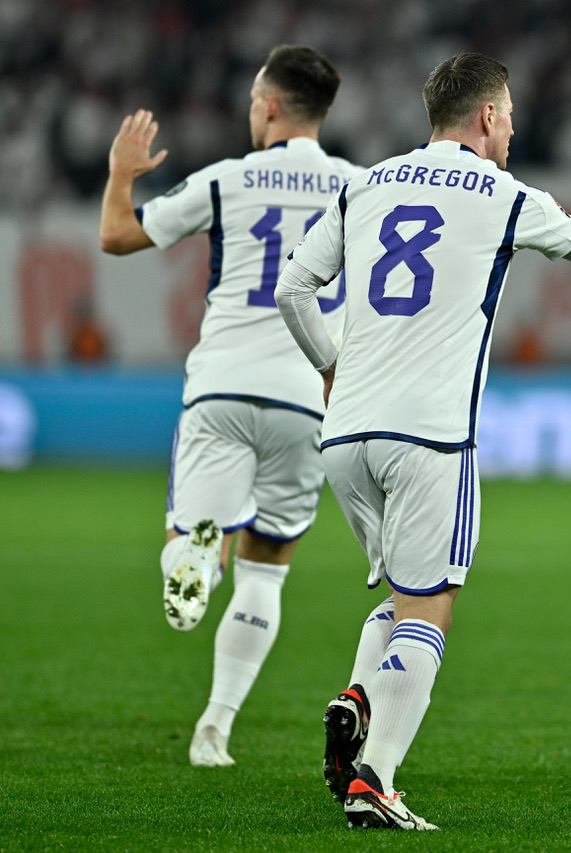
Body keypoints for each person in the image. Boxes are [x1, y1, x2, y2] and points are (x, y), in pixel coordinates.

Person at [275, 52, 571, 831]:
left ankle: (357, 698)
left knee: (400, 593)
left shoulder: (366, 182)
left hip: (344, 434)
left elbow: (291, 287)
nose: (513, 125)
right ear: (486, 116)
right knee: (431, 604)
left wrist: (330, 364)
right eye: (509, 112)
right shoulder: (503, 194)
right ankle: (375, 778)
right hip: (430, 433)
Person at [99, 45, 360, 768]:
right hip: (310, 395)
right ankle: (215, 725)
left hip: (222, 384)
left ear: (270, 106)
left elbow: (117, 236)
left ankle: (195, 557)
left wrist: (122, 174)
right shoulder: (359, 188)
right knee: (269, 567)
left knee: (191, 533)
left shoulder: (227, 180)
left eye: (253, 100)